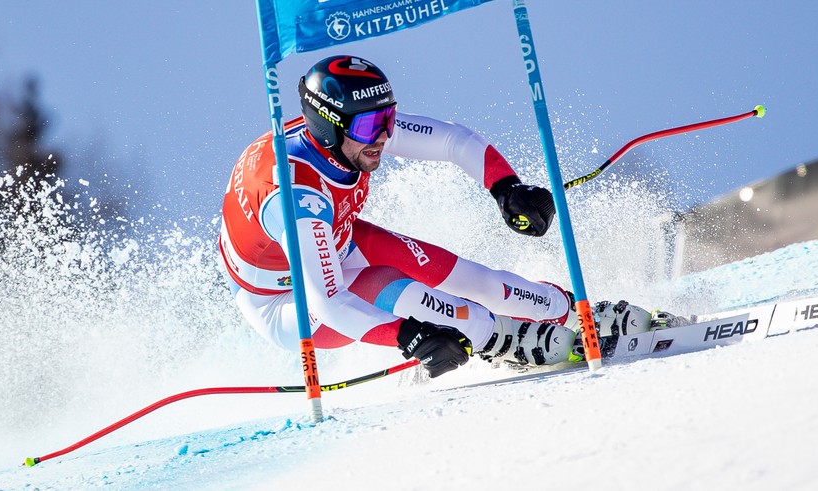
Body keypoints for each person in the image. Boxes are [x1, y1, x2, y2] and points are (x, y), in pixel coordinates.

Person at [219, 55, 681, 378]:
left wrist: (506, 187)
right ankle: (500, 339)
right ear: (327, 125)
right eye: (368, 128)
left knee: (461, 274)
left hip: (337, 241)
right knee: (396, 287)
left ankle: (571, 313)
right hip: (289, 304)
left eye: (387, 120)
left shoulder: (354, 130)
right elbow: (328, 302)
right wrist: (409, 338)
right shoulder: (296, 197)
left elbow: (453, 141)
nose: (382, 137)